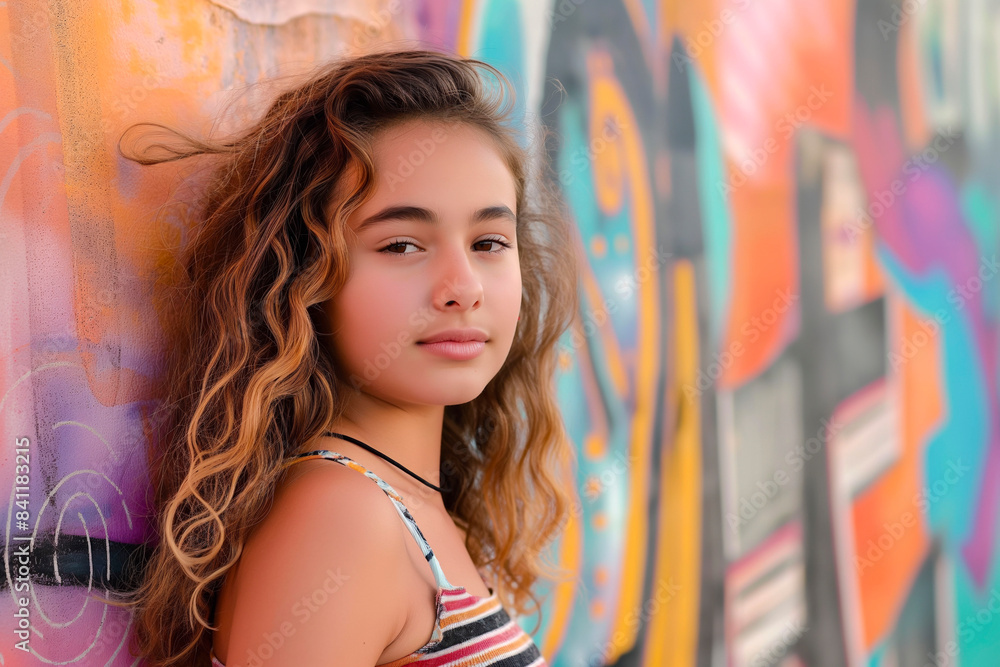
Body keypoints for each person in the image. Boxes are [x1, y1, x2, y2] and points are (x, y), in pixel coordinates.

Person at [106, 46, 580, 666]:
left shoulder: (410, 504)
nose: (463, 286)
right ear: (305, 278)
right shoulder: (342, 518)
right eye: (403, 244)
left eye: (489, 241)